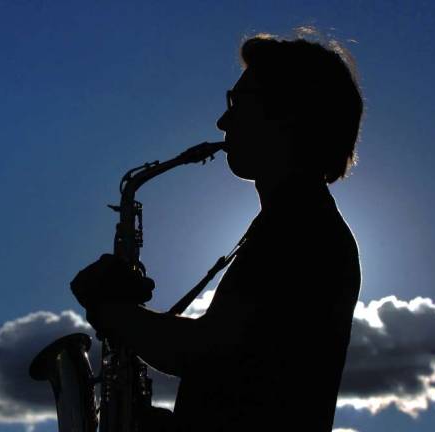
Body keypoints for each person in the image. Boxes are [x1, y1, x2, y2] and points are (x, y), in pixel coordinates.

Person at [71, 32, 363, 431]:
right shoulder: (291, 226)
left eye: (237, 104)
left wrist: (111, 310)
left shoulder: (303, 233)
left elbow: (207, 353)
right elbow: (241, 387)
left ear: (287, 115)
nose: (223, 121)